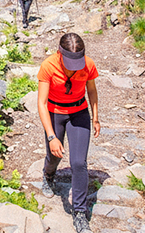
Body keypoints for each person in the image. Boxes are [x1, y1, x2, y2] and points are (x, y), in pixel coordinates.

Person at [37, 33, 100, 233]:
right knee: (53, 156)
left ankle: (80, 213)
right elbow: (41, 102)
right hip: (55, 113)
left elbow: (92, 90)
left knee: (79, 163)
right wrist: (51, 136)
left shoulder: (88, 64)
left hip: (79, 112)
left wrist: (95, 117)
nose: (75, 67)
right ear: (59, 54)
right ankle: (48, 175)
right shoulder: (48, 66)